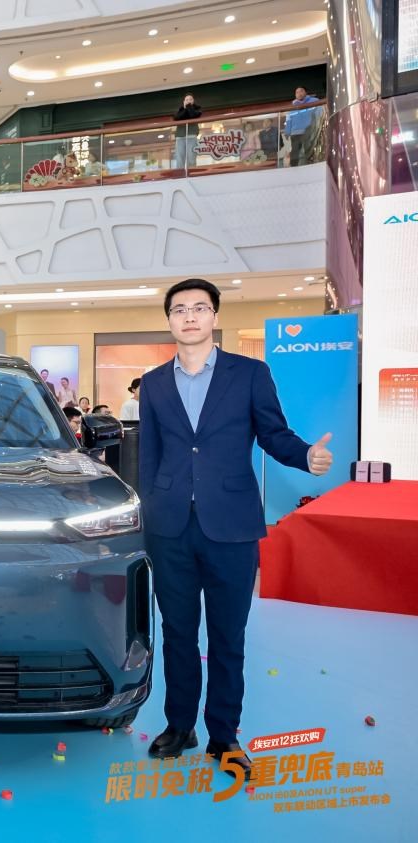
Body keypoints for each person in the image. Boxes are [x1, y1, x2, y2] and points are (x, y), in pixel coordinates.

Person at [139, 278, 333, 779]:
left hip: (232, 526)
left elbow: (273, 433)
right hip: (170, 528)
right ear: (169, 319)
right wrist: (148, 515)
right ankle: (179, 725)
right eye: (179, 309)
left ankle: (223, 735)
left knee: (229, 636)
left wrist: (306, 455)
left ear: (214, 316)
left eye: (199, 308)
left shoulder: (249, 373)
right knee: (178, 633)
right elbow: (150, 457)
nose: (189, 316)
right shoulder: (154, 383)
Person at [284, 87, 320, 167]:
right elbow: (288, 119)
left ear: (305, 92)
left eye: (301, 91)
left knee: (309, 149)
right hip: (295, 132)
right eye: (297, 92)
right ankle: (294, 167)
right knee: (295, 151)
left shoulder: (314, 101)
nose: (299, 94)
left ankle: (311, 165)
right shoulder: (292, 106)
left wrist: (317, 125)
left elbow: (319, 114)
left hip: (309, 130)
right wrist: (287, 131)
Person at [173, 94, 202, 169]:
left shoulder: (197, 109)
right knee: (179, 158)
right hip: (180, 136)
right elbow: (177, 118)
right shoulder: (180, 110)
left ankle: (192, 172)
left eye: (190, 99)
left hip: (191, 135)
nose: (188, 101)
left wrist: (189, 107)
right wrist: (185, 109)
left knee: (191, 157)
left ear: (193, 101)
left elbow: (193, 115)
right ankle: (180, 173)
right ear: (183, 102)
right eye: (187, 100)